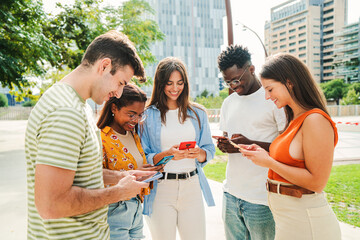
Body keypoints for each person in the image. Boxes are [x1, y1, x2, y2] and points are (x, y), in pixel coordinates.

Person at [25, 31, 153, 240]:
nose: (119, 94)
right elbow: (51, 205)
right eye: (121, 82)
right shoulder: (66, 112)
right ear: (104, 66)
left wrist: (120, 178)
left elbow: (76, 174)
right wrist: (119, 193)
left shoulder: (76, 104)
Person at [239, 53, 341, 240]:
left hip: (307, 224)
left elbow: (317, 182)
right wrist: (264, 154)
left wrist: (269, 162)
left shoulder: (315, 120)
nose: (267, 97)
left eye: (270, 89)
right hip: (289, 222)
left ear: (289, 82)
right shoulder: (294, 120)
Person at [140, 57, 216, 240]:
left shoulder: (198, 113)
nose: (175, 88)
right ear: (160, 84)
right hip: (161, 189)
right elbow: (143, 156)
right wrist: (168, 155)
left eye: (180, 83)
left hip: (191, 187)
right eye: (169, 83)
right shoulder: (147, 116)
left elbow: (209, 150)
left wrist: (199, 153)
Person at [216, 45, 286, 240]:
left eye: (237, 79)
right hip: (231, 193)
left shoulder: (272, 98)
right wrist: (226, 146)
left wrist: (248, 144)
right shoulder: (228, 103)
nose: (233, 86)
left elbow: (286, 149)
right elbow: (229, 141)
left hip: (262, 198)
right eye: (227, 81)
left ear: (252, 69)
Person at [97, 84, 163, 240]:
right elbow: (93, 176)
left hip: (135, 207)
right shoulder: (101, 138)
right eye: (131, 114)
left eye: (140, 115)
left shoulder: (134, 135)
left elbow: (131, 167)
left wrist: (145, 171)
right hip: (114, 209)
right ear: (114, 108)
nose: (136, 120)